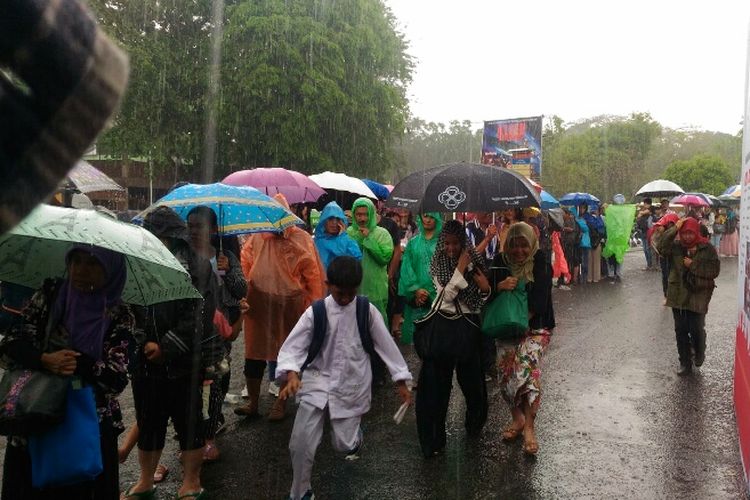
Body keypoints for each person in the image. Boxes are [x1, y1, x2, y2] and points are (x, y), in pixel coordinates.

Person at [0, 246, 135, 499]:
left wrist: (77, 360)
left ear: (111, 270)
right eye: (76, 261)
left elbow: (116, 379)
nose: (81, 270)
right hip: (34, 416)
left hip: (86, 427)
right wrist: (45, 359)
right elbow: (11, 344)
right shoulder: (51, 294)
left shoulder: (119, 314)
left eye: (93, 264)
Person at [275, 256, 412, 500]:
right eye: (340, 293)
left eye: (351, 293)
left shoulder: (365, 311)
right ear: (328, 284)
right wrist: (292, 374)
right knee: (300, 443)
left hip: (352, 382)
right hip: (316, 381)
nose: (346, 299)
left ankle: (355, 438)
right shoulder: (315, 312)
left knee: (343, 445)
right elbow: (292, 348)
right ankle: (301, 492)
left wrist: (401, 379)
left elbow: (386, 345)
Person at [122, 206, 218, 500]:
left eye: (162, 237)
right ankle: (146, 480)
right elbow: (126, 308)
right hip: (145, 365)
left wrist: (167, 346)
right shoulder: (135, 265)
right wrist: (143, 343)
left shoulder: (198, 267)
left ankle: (191, 481)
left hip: (185, 363)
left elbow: (201, 313)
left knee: (188, 421)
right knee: (149, 420)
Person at [237, 194, 325, 421]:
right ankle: (254, 403)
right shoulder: (258, 237)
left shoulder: (301, 238)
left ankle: (281, 403)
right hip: (259, 306)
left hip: (290, 308)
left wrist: (313, 306)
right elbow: (245, 261)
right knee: (254, 355)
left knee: (289, 354)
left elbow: (313, 274)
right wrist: (247, 289)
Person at [415, 220, 490, 458]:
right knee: (437, 389)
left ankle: (474, 425)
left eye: (456, 243)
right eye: (446, 243)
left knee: (474, 386)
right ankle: (434, 440)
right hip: (443, 331)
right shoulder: (439, 263)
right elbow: (446, 296)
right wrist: (460, 268)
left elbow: (479, 299)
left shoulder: (475, 261)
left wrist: (486, 288)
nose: (451, 247)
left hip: (467, 330)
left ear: (462, 242)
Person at [186, 206, 247, 462]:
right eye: (190, 226)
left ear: (212, 229)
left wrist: (227, 271)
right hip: (190, 326)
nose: (194, 231)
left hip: (221, 325)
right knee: (193, 379)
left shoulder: (226, 255)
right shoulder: (182, 256)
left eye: (199, 226)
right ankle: (193, 430)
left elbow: (241, 288)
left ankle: (211, 425)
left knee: (219, 374)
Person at [491, 222, 555, 456]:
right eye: (514, 246)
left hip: (534, 329)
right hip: (505, 329)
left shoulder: (540, 262)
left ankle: (529, 427)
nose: (518, 251)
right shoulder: (499, 262)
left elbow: (540, 301)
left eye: (524, 245)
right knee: (506, 377)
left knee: (527, 377)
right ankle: (516, 419)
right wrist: (499, 285)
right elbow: (486, 292)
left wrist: (521, 321)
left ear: (532, 244)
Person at [657, 218, 720, 375]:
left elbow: (714, 271)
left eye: (690, 233)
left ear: (696, 232)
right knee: (680, 329)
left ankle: (699, 351)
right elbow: (661, 247)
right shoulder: (676, 247)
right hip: (678, 293)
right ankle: (685, 362)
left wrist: (692, 265)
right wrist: (673, 229)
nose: (687, 237)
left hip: (698, 294)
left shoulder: (707, 248)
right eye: (684, 233)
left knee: (696, 328)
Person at [397, 213, 443, 344]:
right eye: (425, 216)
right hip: (416, 297)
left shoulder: (443, 243)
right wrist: (416, 289)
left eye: (432, 217)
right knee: (416, 338)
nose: (428, 220)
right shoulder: (413, 243)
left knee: (436, 338)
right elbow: (407, 268)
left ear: (438, 219)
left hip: (438, 297)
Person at [346, 198, 394, 319]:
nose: (362, 219)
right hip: (352, 290)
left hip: (376, 291)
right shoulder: (348, 233)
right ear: (354, 215)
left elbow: (384, 258)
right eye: (359, 214)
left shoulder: (382, 234)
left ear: (372, 214)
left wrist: (369, 239)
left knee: (377, 326)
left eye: (366, 214)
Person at [313, 201, 362, 271]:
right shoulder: (316, 242)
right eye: (330, 219)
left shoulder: (348, 240)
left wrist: (342, 237)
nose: (334, 223)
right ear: (324, 221)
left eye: (338, 219)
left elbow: (356, 259)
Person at [650, 213, 679, 303]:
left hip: (673, 255)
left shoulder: (674, 230)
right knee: (666, 275)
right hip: (664, 255)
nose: (659, 229)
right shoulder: (661, 231)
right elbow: (654, 242)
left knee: (673, 275)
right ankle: (667, 296)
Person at [636, 198, 655, 270]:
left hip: (649, 232)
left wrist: (641, 211)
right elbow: (638, 216)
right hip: (643, 231)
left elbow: (641, 213)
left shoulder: (651, 208)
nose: (644, 205)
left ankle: (651, 265)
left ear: (648, 204)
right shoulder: (645, 210)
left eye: (645, 203)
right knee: (645, 249)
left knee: (648, 249)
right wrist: (641, 211)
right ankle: (648, 265)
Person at [575, 206, 592, 283]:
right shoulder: (580, 219)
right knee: (581, 260)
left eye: (583, 208)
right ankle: (581, 277)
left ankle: (584, 278)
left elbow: (586, 229)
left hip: (584, 243)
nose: (582, 210)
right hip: (582, 242)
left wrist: (579, 222)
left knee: (584, 261)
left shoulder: (585, 218)